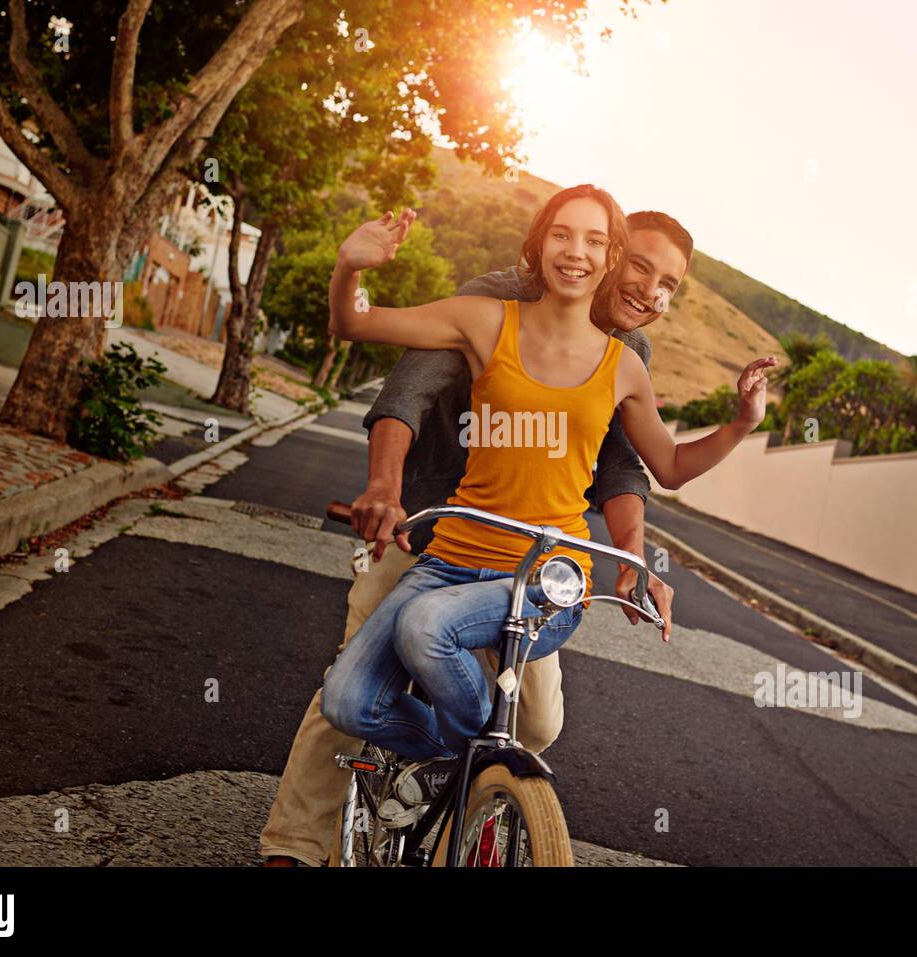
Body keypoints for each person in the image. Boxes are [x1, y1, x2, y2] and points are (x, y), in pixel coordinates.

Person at [259, 202, 695, 867]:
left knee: (537, 723)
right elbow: (407, 394)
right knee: (353, 680)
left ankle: (473, 812)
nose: (649, 291)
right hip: (426, 529)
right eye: (641, 266)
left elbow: (622, 464)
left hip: (528, 559)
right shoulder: (493, 302)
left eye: (669, 283)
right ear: (610, 256)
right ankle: (294, 843)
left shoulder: (627, 353)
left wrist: (631, 556)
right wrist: (385, 487)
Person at [318, 186, 774, 794]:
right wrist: (350, 266)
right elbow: (361, 331)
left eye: (594, 241)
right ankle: (479, 755)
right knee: (346, 704)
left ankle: (487, 760)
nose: (576, 253)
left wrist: (742, 423)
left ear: (606, 256)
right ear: (540, 242)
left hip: (544, 574)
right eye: (562, 234)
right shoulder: (485, 314)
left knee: (436, 637)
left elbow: (657, 466)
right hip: (447, 550)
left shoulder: (626, 362)